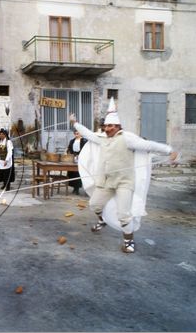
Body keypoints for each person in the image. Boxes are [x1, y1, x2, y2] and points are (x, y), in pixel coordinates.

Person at [69, 98, 179, 253]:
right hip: (105, 182)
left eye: (111, 126)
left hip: (124, 183)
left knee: (123, 214)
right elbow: (86, 133)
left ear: (118, 127)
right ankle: (102, 220)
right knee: (95, 205)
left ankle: (129, 241)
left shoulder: (127, 139)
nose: (108, 128)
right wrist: (74, 123)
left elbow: (148, 145)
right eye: (106, 126)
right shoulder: (101, 139)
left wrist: (169, 150)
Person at [66, 129, 87, 194]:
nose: (76, 134)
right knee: (72, 173)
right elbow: (69, 148)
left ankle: (77, 188)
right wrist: (69, 153)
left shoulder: (84, 141)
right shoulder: (72, 141)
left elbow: (85, 149)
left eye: (78, 133)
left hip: (81, 158)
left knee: (78, 173)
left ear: (80, 133)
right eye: (75, 133)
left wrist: (80, 155)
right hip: (73, 158)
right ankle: (74, 188)